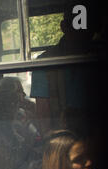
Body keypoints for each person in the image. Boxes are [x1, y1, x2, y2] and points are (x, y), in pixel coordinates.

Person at [29, 1, 100, 136]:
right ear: (64, 27)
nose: (81, 34)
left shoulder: (103, 56)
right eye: (76, 28)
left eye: (86, 30)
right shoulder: (45, 63)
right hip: (63, 137)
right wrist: (53, 141)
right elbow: (43, 114)